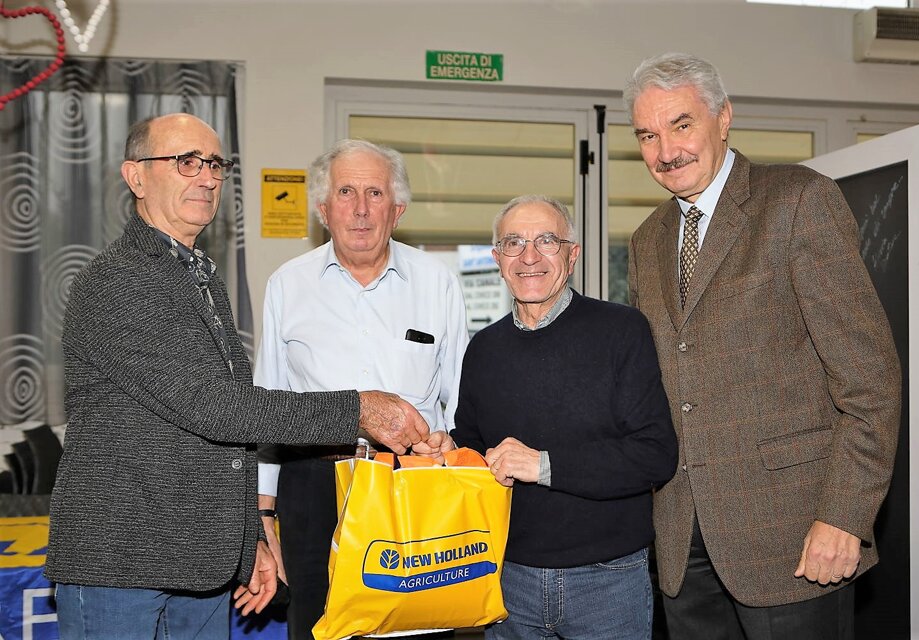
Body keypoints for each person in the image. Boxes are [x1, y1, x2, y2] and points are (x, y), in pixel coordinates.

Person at [45, 114, 431, 640]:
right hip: (122, 561)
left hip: (199, 561)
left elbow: (224, 438)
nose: (207, 177)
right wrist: (358, 408)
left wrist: (250, 538)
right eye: (186, 162)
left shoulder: (199, 276)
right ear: (136, 177)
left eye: (214, 164)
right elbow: (215, 407)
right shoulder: (119, 280)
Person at [624, 53, 901, 639]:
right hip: (682, 541)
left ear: (724, 117)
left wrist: (844, 516)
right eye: (648, 135)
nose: (666, 151)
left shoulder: (798, 201)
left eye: (681, 125)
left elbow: (870, 380)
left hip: (795, 536)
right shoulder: (648, 240)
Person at [255, 139, 469, 640]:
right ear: (322, 208)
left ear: (397, 210)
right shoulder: (287, 284)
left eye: (375, 193)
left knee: (421, 628)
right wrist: (263, 515)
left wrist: (455, 454)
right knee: (319, 627)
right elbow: (265, 406)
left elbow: (463, 397)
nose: (360, 209)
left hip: (412, 485)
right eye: (345, 192)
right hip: (313, 489)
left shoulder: (437, 282)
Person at [440, 195, 677, 639]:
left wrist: (544, 465)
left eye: (547, 241)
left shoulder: (622, 331)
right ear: (497, 259)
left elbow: (655, 455)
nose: (529, 256)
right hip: (507, 577)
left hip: (608, 581)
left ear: (573, 255)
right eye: (514, 243)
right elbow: (475, 451)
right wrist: (447, 452)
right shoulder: (483, 349)